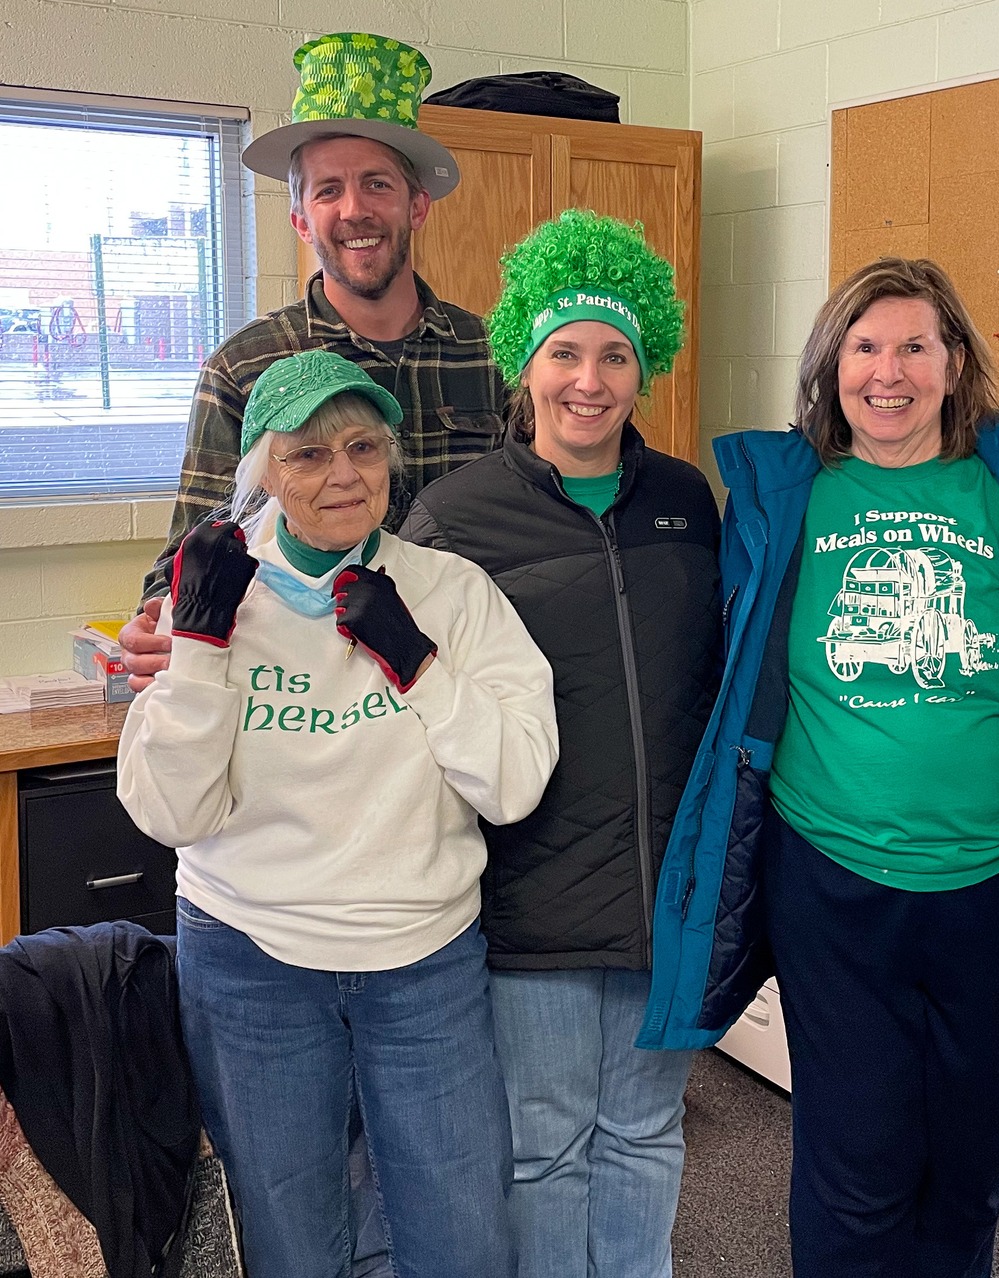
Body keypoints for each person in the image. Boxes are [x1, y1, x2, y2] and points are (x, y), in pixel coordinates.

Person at [639, 256, 999, 1276]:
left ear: (955, 363)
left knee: (968, 1165)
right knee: (856, 1163)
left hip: (991, 882)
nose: (887, 372)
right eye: (864, 347)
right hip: (832, 880)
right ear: (831, 364)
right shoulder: (780, 498)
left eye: (913, 346)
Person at [116, 349, 559, 1278]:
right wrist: (199, 646)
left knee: (463, 1233)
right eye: (308, 455)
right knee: (291, 1235)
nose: (343, 474)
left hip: (422, 958)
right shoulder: (213, 597)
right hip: (251, 958)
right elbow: (170, 812)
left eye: (363, 447)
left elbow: (514, 782)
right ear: (265, 472)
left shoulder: (451, 592)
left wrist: (417, 663)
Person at [401, 209, 721, 1278]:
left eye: (616, 355)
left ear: (646, 367)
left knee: (646, 1136)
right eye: (565, 353)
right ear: (525, 365)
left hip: (666, 892)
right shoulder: (456, 518)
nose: (590, 381)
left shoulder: (685, 499)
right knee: (543, 1152)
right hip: (529, 894)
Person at [120, 31, 504, 690]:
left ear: (416, 205)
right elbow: (195, 548)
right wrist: (156, 621)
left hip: (465, 675)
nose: (354, 210)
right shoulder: (245, 367)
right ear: (301, 219)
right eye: (328, 190)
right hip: (306, 699)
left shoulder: (493, 357)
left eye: (376, 184)